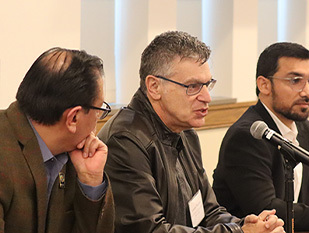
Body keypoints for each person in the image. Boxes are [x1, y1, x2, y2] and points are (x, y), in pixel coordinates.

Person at [98, 31, 284, 233]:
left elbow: (209, 212)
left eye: (208, 85)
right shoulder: (126, 140)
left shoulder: (185, 131)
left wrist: (248, 225)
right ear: (154, 87)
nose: (206, 97)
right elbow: (150, 230)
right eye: (193, 86)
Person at [212, 42, 309, 231]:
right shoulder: (248, 136)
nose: (308, 92)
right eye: (295, 81)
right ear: (264, 85)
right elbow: (269, 210)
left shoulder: (307, 131)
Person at [0, 47, 115, 233]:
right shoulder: (5, 151)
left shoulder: (74, 154)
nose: (98, 119)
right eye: (99, 110)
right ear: (73, 118)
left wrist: (91, 181)